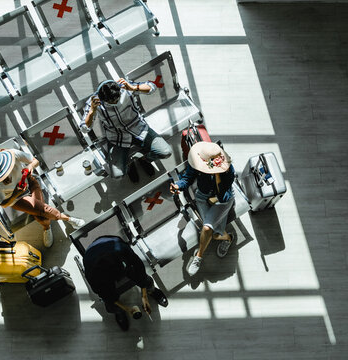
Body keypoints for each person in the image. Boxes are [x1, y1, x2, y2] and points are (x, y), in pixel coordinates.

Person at [0, 149, 86, 247]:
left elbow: (35, 161)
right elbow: (3, 204)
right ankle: (67, 218)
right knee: (43, 209)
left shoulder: (13, 154)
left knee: (41, 215)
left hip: (29, 182)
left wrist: (30, 167)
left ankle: (46, 227)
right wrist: (16, 193)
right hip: (16, 199)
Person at [81, 78, 172, 182]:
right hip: (117, 137)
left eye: (117, 99)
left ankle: (145, 160)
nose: (115, 102)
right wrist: (92, 110)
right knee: (117, 175)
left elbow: (152, 87)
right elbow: (84, 128)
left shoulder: (124, 87)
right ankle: (129, 164)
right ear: (103, 100)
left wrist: (133, 88)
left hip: (139, 129)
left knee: (166, 152)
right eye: (111, 102)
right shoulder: (94, 101)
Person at [169, 141, 235, 276]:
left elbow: (223, 192)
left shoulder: (228, 169)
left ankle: (198, 256)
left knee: (207, 228)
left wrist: (218, 173)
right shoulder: (198, 163)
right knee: (215, 233)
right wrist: (178, 186)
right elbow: (187, 179)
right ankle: (227, 238)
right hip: (203, 197)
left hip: (222, 200)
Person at [83, 235, 168, 331]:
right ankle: (119, 312)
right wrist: (127, 309)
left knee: (145, 279)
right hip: (98, 264)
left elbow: (138, 266)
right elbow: (105, 295)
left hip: (112, 246)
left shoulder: (121, 249)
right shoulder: (94, 275)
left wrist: (144, 296)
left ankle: (151, 291)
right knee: (110, 302)